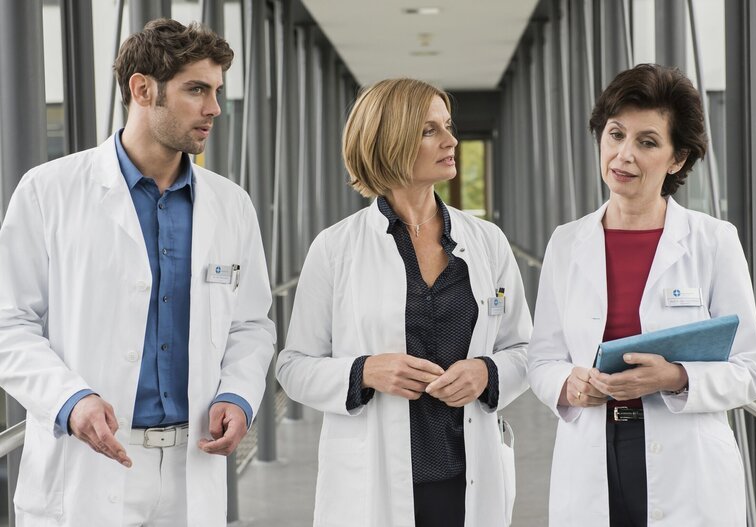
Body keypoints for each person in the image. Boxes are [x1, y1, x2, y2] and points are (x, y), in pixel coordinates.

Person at [0, 19, 275, 526]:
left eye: (216, 90)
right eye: (196, 89)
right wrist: (70, 399)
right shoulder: (49, 192)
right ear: (142, 89)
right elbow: (8, 323)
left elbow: (250, 324)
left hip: (192, 466)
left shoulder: (231, 205)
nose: (213, 108)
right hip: (86, 465)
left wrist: (237, 394)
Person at [276, 78, 531, 526]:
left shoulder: (487, 242)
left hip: (468, 475)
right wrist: (364, 371)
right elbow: (293, 366)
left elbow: (527, 351)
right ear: (388, 140)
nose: (451, 140)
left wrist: (487, 372)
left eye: (448, 126)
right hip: (373, 482)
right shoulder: (335, 248)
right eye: (429, 130)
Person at [527, 63, 756, 527]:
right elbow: (542, 360)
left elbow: (750, 371)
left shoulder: (713, 240)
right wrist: (569, 384)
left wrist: (674, 377)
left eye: (647, 142)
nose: (624, 155)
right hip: (592, 453)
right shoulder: (566, 242)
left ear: (677, 159)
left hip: (687, 462)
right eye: (615, 134)